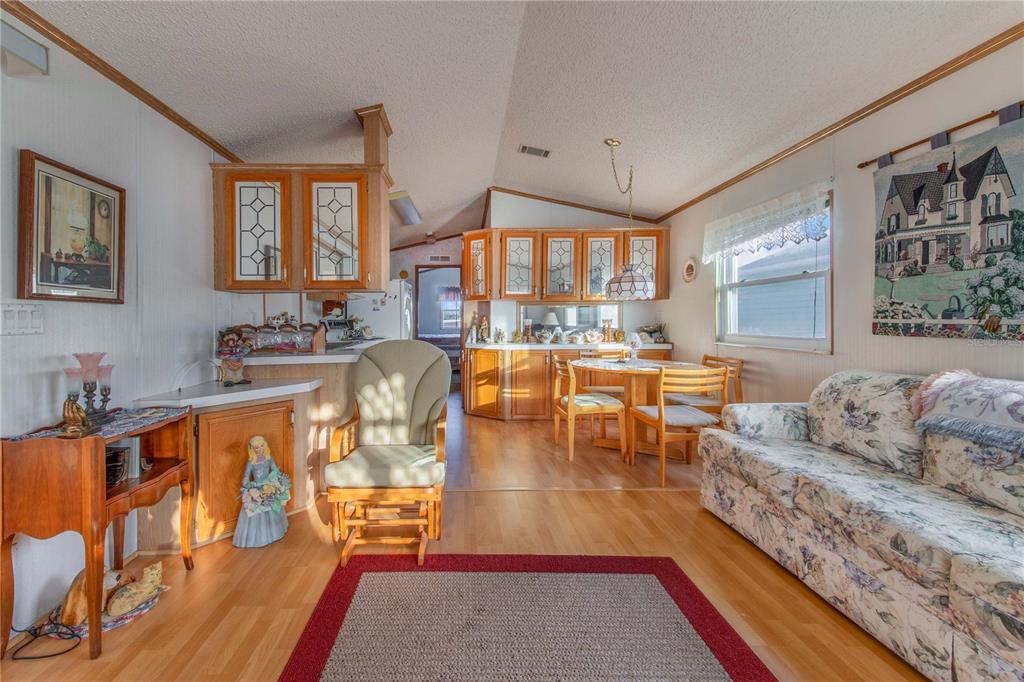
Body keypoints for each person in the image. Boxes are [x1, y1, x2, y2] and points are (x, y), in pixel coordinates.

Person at [233, 436, 291, 548]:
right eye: (256, 447)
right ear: (252, 449)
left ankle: (274, 533)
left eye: (261, 446)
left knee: (272, 507)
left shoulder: (269, 458)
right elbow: (246, 477)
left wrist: (278, 481)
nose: (259, 449)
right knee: (255, 508)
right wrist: (248, 485)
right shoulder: (251, 462)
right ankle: (258, 538)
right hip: (257, 486)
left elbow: (275, 471)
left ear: (265, 446)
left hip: (269, 486)